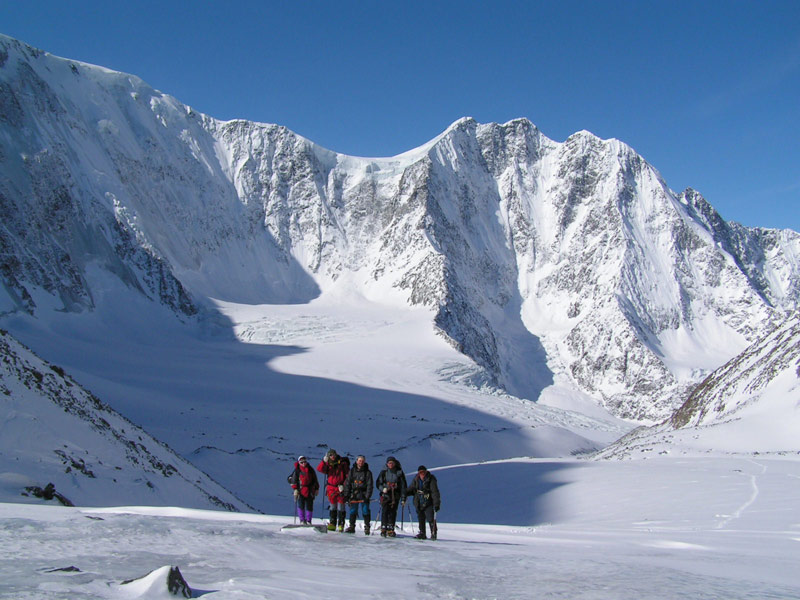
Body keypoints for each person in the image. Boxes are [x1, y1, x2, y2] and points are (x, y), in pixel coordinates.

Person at [317, 448, 350, 531]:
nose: (332, 456)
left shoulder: (342, 463)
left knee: (341, 506)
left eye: (333, 455)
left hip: (340, 488)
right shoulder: (328, 464)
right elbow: (320, 469)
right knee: (332, 506)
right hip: (331, 488)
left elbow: (348, 476)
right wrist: (323, 462)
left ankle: (341, 523)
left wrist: (344, 486)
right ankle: (332, 523)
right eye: (330, 455)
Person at [406, 465, 440, 540]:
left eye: (423, 472)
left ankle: (433, 532)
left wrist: (436, 503)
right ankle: (422, 532)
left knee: (430, 517)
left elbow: (435, 492)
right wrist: (405, 493)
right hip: (418, 501)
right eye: (420, 472)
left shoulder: (431, 479)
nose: (422, 473)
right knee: (421, 518)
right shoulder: (416, 479)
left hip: (428, 501)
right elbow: (412, 488)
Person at [375, 456, 407, 537]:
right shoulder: (383, 472)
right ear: (387, 464)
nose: (391, 464)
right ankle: (384, 528)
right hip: (386, 494)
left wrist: (403, 498)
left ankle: (391, 528)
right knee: (385, 510)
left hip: (395, 494)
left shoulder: (399, 472)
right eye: (389, 463)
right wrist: (383, 489)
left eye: (392, 463)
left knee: (393, 511)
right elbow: (378, 483)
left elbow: (403, 486)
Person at [342, 455, 373, 534]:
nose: (361, 462)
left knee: (365, 510)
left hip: (363, 494)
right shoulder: (352, 471)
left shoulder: (367, 472)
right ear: (356, 461)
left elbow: (370, 485)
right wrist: (346, 495)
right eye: (359, 461)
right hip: (354, 494)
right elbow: (348, 483)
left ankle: (367, 526)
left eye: (362, 461)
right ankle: (352, 526)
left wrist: (367, 496)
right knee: (353, 511)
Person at [289, 456, 319, 524]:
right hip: (300, 490)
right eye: (301, 462)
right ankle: (302, 520)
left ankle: (308, 520)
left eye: (304, 462)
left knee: (309, 505)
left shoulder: (310, 469)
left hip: (310, 490)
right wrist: (295, 489)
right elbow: (293, 480)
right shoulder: (297, 470)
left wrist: (316, 488)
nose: (303, 463)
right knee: (301, 505)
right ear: (299, 462)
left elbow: (315, 479)